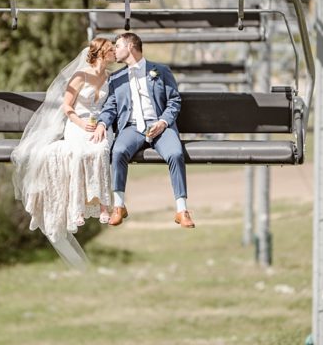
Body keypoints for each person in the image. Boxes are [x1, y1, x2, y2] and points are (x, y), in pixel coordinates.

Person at [12, 37, 118, 266]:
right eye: (111, 50)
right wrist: (81, 124)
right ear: (101, 53)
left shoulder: (110, 77)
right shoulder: (80, 76)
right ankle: (77, 206)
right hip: (78, 124)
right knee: (78, 153)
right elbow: (67, 106)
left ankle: (103, 205)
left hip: (100, 125)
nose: (115, 53)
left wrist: (101, 124)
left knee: (101, 151)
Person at [91, 31, 195, 228]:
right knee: (118, 151)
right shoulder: (116, 78)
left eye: (118, 46)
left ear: (130, 46)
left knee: (175, 153)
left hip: (160, 126)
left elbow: (174, 101)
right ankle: (119, 206)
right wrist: (102, 123)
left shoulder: (161, 71)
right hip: (132, 128)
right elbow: (110, 107)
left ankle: (182, 210)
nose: (114, 50)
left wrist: (163, 122)